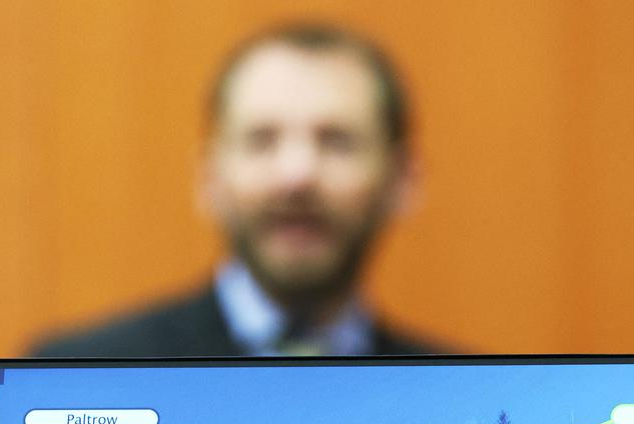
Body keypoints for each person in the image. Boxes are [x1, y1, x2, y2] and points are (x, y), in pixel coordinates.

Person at [33, 23, 435, 359]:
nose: (296, 175)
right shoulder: (79, 372)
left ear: (402, 179)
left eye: (336, 141)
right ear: (209, 177)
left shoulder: (458, 397)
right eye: (261, 140)